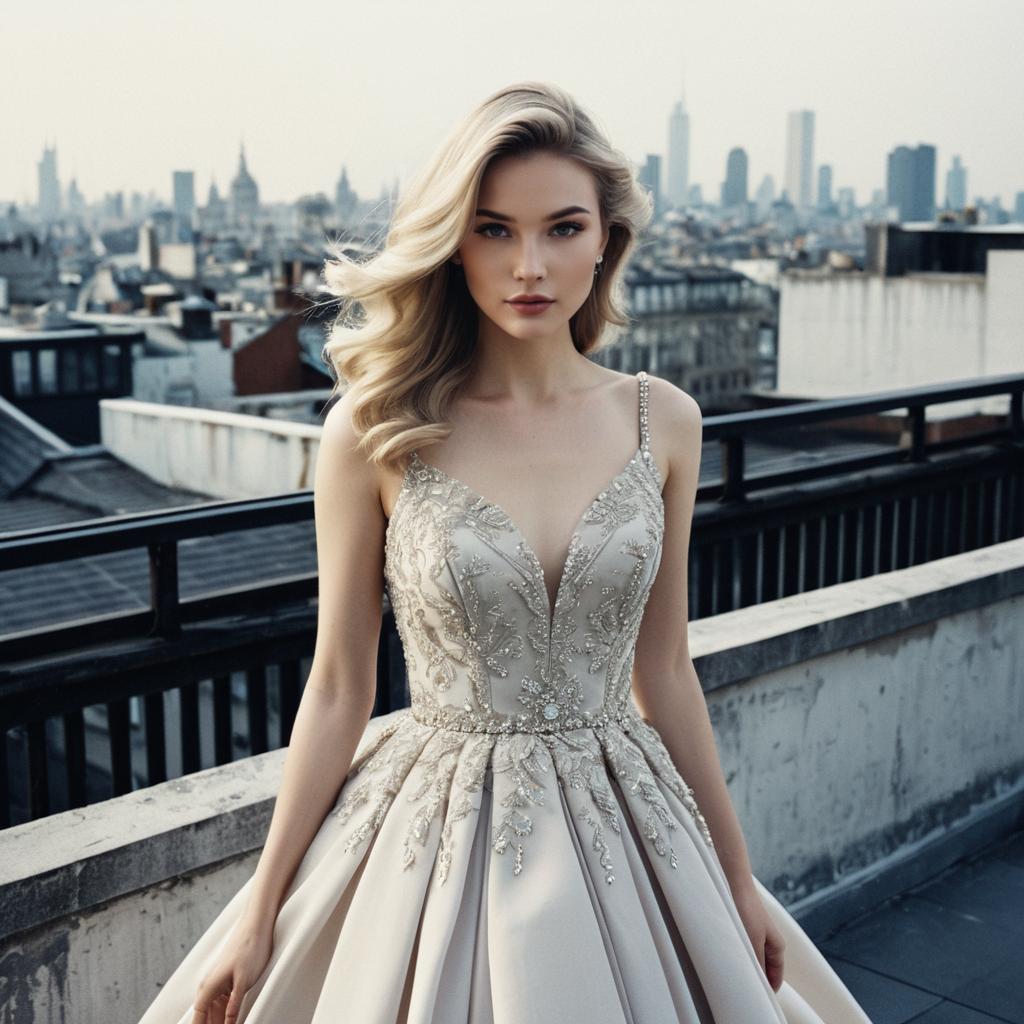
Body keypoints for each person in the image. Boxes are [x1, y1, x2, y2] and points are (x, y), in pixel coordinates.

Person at [138, 81, 872, 1024]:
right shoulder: (375, 429)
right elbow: (338, 687)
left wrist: (735, 880)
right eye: (493, 230)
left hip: (631, 823)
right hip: (432, 834)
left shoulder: (665, 422)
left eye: (563, 229)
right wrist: (261, 910)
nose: (529, 265)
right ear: (455, 242)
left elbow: (665, 670)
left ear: (606, 239)